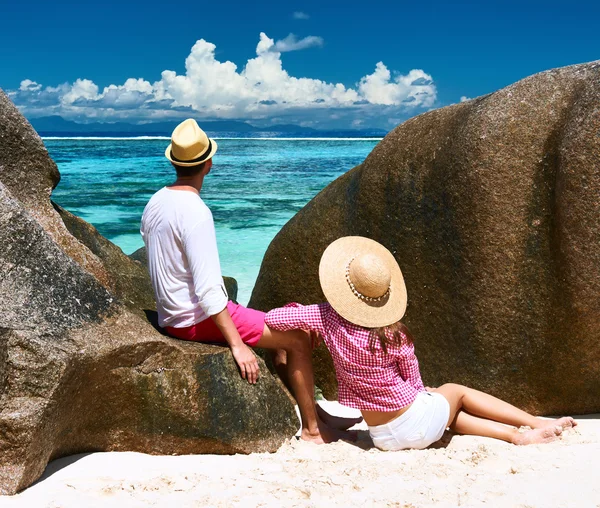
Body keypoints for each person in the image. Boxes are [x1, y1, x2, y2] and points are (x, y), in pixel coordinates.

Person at [140, 119, 357, 444]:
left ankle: (313, 411)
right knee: (297, 338)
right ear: (209, 164)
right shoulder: (196, 212)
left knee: (284, 319)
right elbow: (209, 290)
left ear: (173, 161)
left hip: (172, 314)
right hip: (194, 318)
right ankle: (313, 430)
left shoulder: (155, 201)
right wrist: (238, 346)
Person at [264, 236, 577, 451]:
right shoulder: (393, 333)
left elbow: (274, 318)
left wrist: (295, 311)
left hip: (382, 438)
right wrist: (424, 392)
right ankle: (533, 422)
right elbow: (414, 382)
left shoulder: (325, 317)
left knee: (444, 410)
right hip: (415, 427)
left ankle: (515, 436)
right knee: (455, 391)